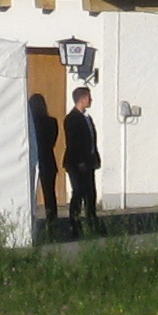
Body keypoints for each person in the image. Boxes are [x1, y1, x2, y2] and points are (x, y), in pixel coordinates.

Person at [61, 86, 102, 238]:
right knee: (78, 192)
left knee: (91, 193)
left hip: (88, 162)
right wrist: (80, 162)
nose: (90, 100)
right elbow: (74, 143)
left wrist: (94, 157)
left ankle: (92, 222)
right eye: (89, 97)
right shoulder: (72, 119)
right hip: (77, 163)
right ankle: (75, 224)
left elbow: (91, 141)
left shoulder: (87, 118)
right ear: (82, 99)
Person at [28, 90, 62, 236]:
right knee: (50, 194)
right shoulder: (52, 122)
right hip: (48, 160)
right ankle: (52, 222)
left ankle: (30, 219)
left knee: (29, 193)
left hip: (33, 160)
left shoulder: (30, 124)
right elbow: (52, 142)